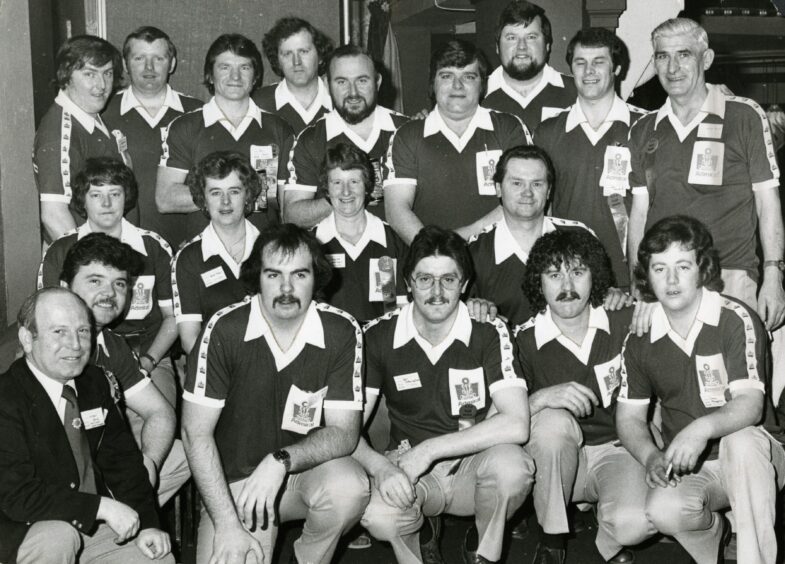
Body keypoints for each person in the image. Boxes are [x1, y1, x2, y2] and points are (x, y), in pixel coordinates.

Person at [181, 224, 369, 564]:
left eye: (299, 274)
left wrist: (281, 460)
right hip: (236, 484)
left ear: (317, 277)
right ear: (257, 278)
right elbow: (195, 433)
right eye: (273, 275)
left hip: (301, 472)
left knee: (349, 488)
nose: (286, 288)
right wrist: (226, 524)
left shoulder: (342, 330)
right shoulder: (225, 329)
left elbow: (344, 434)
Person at [359, 225, 533, 564]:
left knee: (513, 468)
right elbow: (348, 429)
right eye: (425, 279)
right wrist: (381, 467)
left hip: (473, 461)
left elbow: (517, 424)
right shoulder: (379, 335)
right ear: (408, 283)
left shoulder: (489, 330)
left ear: (465, 286)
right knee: (379, 516)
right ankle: (421, 533)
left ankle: (484, 544)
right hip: (409, 465)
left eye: (448, 280)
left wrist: (430, 450)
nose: (437, 292)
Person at [617, 215, 785, 564]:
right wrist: (650, 456)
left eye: (683, 265)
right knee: (664, 510)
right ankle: (716, 544)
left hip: (758, 452)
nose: (672, 279)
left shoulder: (733, 318)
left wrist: (700, 428)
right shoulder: (639, 338)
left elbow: (751, 406)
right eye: (660, 268)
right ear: (646, 275)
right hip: (695, 464)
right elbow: (630, 418)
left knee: (741, 442)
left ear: (702, 268)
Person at [627, 18, 784, 331]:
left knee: (738, 378)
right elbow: (639, 216)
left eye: (684, 55)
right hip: (666, 282)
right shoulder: (643, 130)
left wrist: (773, 276)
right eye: (662, 57)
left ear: (706, 59)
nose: (672, 68)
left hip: (731, 278)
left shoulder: (744, 115)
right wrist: (640, 283)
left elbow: (768, 203)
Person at [0, 288, 173, 564]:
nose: (76, 344)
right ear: (27, 339)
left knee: (154, 556)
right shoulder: (6, 398)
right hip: (24, 528)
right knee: (59, 538)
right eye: (59, 332)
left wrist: (149, 522)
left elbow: (123, 461)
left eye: (83, 331)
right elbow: (16, 496)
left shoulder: (93, 382)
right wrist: (102, 508)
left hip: (86, 522)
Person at [515, 230, 654, 564]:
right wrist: (543, 398)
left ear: (595, 277)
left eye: (577, 272)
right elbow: (506, 415)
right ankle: (552, 539)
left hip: (617, 447)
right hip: (557, 463)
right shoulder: (523, 340)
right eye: (554, 274)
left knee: (634, 525)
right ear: (539, 283)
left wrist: (650, 300)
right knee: (551, 424)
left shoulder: (624, 321)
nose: (567, 286)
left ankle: (606, 521)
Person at [59, 233, 190, 506]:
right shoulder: (48, 345)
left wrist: (148, 465)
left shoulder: (111, 344)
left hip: (100, 461)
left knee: (182, 455)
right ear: (65, 287)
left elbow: (159, 412)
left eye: (119, 284)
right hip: (55, 477)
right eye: (95, 281)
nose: (109, 293)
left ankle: (117, 520)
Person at [38, 157, 178, 407]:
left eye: (115, 193)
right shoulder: (61, 250)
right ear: (83, 199)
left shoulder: (153, 247)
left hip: (146, 354)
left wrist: (148, 361)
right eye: (96, 195)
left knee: (159, 418)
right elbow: (45, 318)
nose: (106, 203)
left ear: (127, 197)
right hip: (80, 353)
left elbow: (172, 317)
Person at [385, 39, 531, 244]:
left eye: (468, 77)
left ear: (482, 84)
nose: (457, 85)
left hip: (499, 260)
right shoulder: (407, 136)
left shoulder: (508, 128)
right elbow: (396, 210)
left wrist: (458, 240)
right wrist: (435, 255)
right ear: (432, 83)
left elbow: (524, 199)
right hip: (431, 264)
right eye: (446, 76)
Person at [536, 28, 646, 291]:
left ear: (616, 68)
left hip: (631, 279)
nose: (589, 72)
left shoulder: (645, 127)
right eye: (580, 63)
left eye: (599, 62)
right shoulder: (548, 132)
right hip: (568, 280)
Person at [468, 145, 627, 327]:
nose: (527, 192)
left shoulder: (579, 236)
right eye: (517, 183)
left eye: (537, 184)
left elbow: (606, 296)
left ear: (549, 190)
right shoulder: (476, 251)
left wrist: (615, 296)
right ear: (498, 188)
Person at [156, 33, 294, 241]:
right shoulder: (185, 127)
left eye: (244, 68)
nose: (235, 77)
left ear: (256, 76)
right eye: (225, 67)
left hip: (263, 252)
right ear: (210, 75)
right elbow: (165, 198)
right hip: (205, 253)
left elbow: (286, 203)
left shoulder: (278, 128)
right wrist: (239, 194)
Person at [286, 44, 410, 227]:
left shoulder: (406, 131)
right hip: (336, 254)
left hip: (400, 251)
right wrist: (345, 196)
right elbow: (292, 216)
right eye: (342, 82)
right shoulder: (312, 139)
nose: (353, 92)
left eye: (362, 81)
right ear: (327, 84)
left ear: (377, 82)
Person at [103, 26, 203, 248]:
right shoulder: (103, 114)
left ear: (172, 63)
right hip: (121, 244)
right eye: (139, 58)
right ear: (126, 63)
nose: (149, 67)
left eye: (158, 58)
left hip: (185, 245)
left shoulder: (198, 113)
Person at [33, 35, 131, 242]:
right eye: (90, 74)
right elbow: (53, 216)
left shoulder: (92, 116)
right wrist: (93, 267)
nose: (102, 85)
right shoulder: (59, 131)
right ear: (66, 76)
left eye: (108, 73)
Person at [172, 151, 263, 354]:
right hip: (216, 371)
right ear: (203, 199)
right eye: (215, 193)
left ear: (247, 195)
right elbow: (190, 340)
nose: (225, 202)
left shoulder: (271, 248)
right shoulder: (188, 259)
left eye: (234, 191)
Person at [314, 142, 408, 322]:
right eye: (337, 182)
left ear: (367, 186)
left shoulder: (392, 241)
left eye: (354, 182)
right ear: (327, 188)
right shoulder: (312, 244)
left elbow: (399, 307)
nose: (346, 191)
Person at [482, 1, 576, 131]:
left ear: (547, 45)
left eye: (531, 37)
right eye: (511, 38)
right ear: (497, 47)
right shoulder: (477, 94)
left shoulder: (576, 92)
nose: (522, 47)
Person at [253, 16, 334, 134]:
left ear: (320, 56)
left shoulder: (338, 99)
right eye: (287, 54)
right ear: (277, 61)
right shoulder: (258, 103)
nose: (296, 61)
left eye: (304, 52)